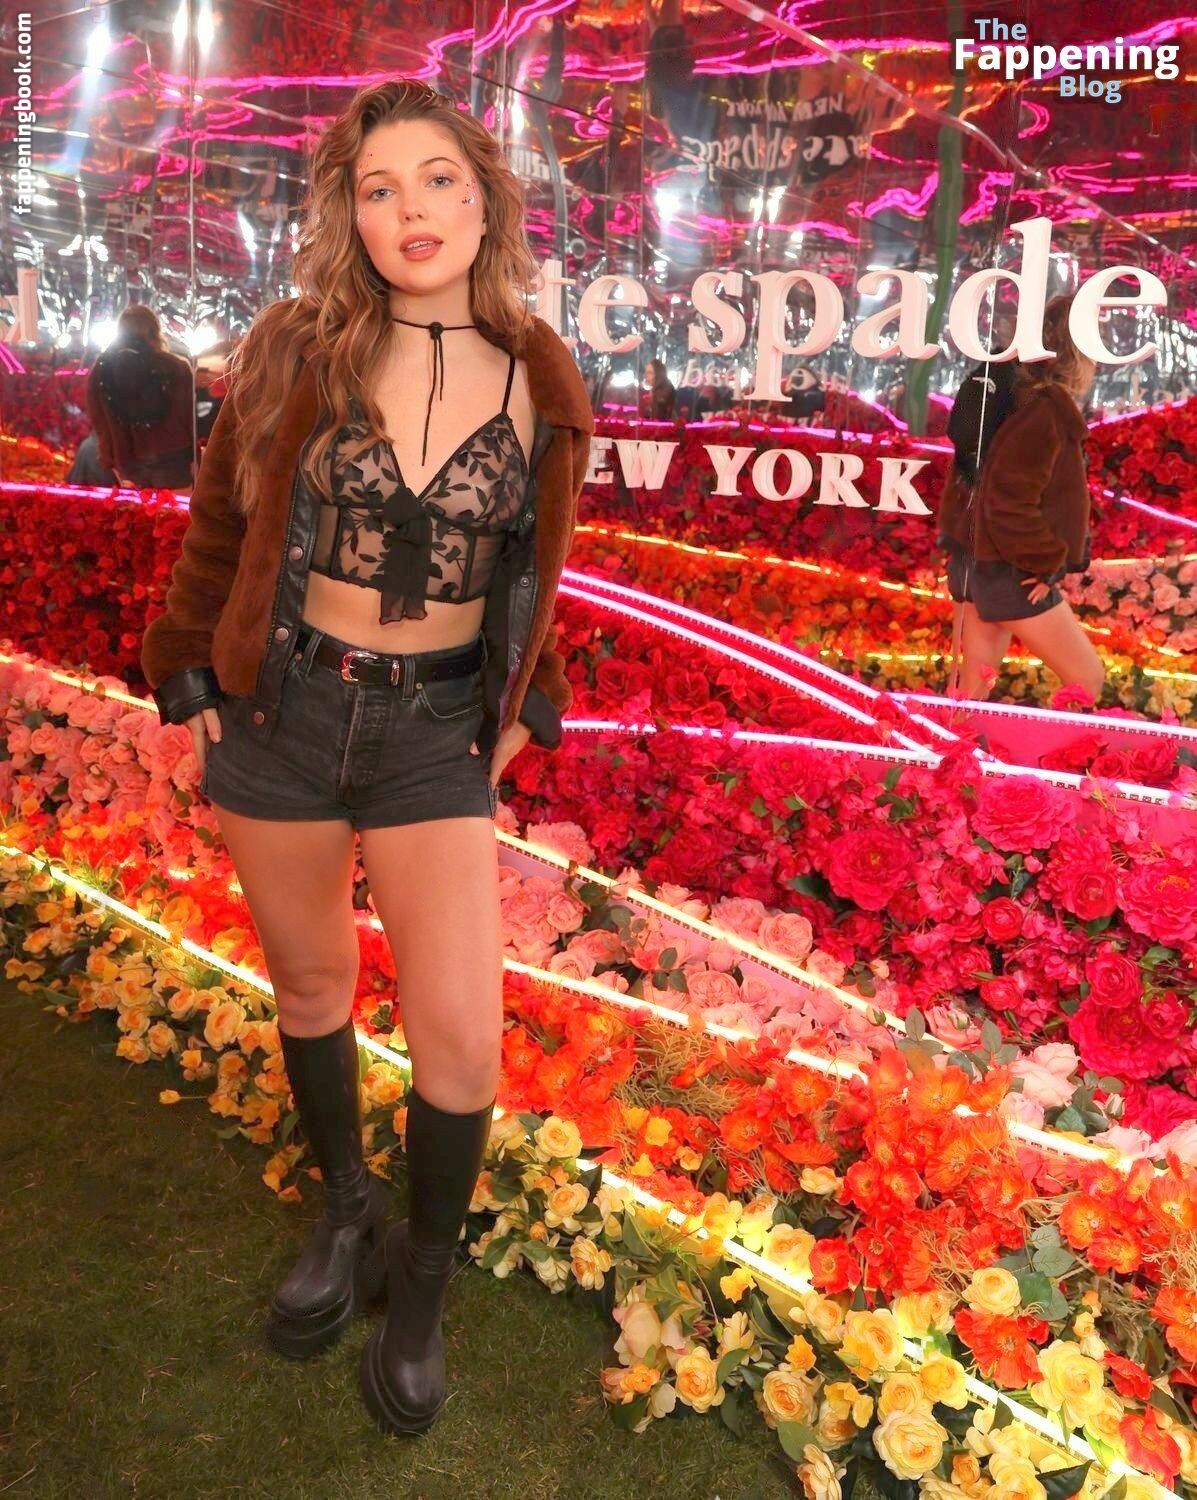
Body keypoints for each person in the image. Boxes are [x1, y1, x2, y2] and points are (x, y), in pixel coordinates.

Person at [138, 78, 594, 1436]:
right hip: (282, 716)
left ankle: (421, 1282)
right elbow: (222, 521)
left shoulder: (541, 375)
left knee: (463, 1046)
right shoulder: (297, 345)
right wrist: (185, 659)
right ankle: (346, 1207)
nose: (413, 210)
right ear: (350, 211)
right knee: (311, 985)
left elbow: (540, 562)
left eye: (439, 179)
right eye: (380, 187)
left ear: (486, 200)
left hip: (430, 736)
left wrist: (534, 691)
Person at [937, 293, 1101, 703]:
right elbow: (1009, 501)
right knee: (1087, 680)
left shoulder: (1010, 394)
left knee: (972, 691)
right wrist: (1044, 561)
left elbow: (976, 485)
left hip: (975, 562)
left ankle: (954, 746)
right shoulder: (1044, 409)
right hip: (1009, 570)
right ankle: (1066, 749)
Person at [85, 305, 196, 491]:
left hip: (127, 455)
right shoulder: (176, 366)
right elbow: (189, 415)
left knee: (138, 508)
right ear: (155, 331)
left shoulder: (102, 369)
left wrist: (109, 451)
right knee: (172, 508)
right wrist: (195, 455)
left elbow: (97, 416)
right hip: (172, 454)